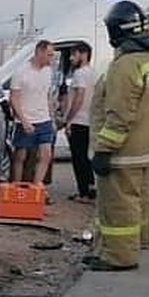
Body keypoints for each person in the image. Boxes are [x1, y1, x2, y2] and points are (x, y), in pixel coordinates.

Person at [86, 0, 149, 271]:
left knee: (119, 207)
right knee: (139, 201)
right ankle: (133, 243)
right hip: (148, 147)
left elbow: (120, 114)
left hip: (125, 152)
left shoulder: (125, 66)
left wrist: (105, 149)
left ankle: (119, 257)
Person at [8, 39, 56, 187]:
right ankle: (16, 184)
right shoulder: (21, 72)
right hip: (26, 118)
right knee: (21, 155)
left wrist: (52, 117)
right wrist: (23, 120)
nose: (51, 58)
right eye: (48, 55)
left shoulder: (48, 71)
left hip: (44, 118)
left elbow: (47, 95)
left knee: (46, 154)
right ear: (39, 52)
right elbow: (14, 98)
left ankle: (37, 184)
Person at [63, 42, 96, 200]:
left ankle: (83, 192)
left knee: (78, 158)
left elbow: (79, 96)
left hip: (78, 120)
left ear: (83, 54)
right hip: (90, 120)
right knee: (85, 157)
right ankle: (90, 188)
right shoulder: (93, 73)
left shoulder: (80, 74)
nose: (71, 58)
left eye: (74, 54)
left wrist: (68, 118)